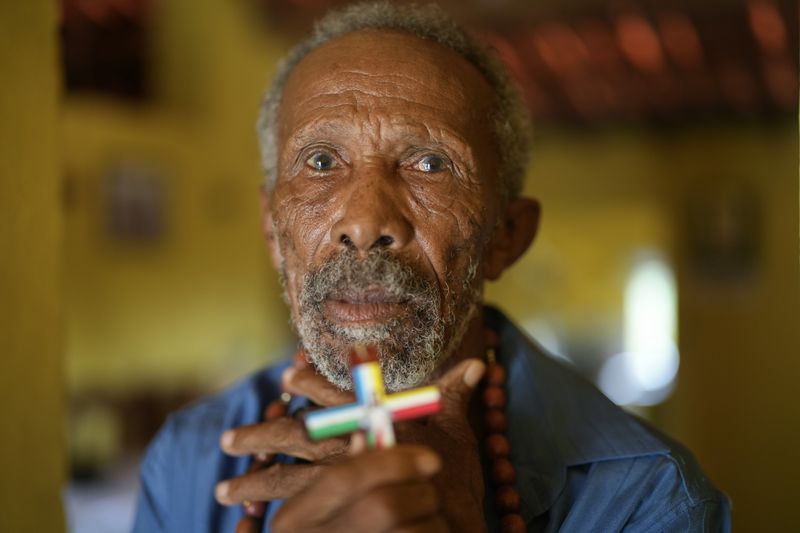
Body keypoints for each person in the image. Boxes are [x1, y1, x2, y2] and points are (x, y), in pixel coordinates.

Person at [132, 3, 730, 532]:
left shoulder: (651, 499)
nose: (365, 222)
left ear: (507, 236)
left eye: (429, 164)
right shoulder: (189, 458)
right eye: (320, 159)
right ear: (272, 229)